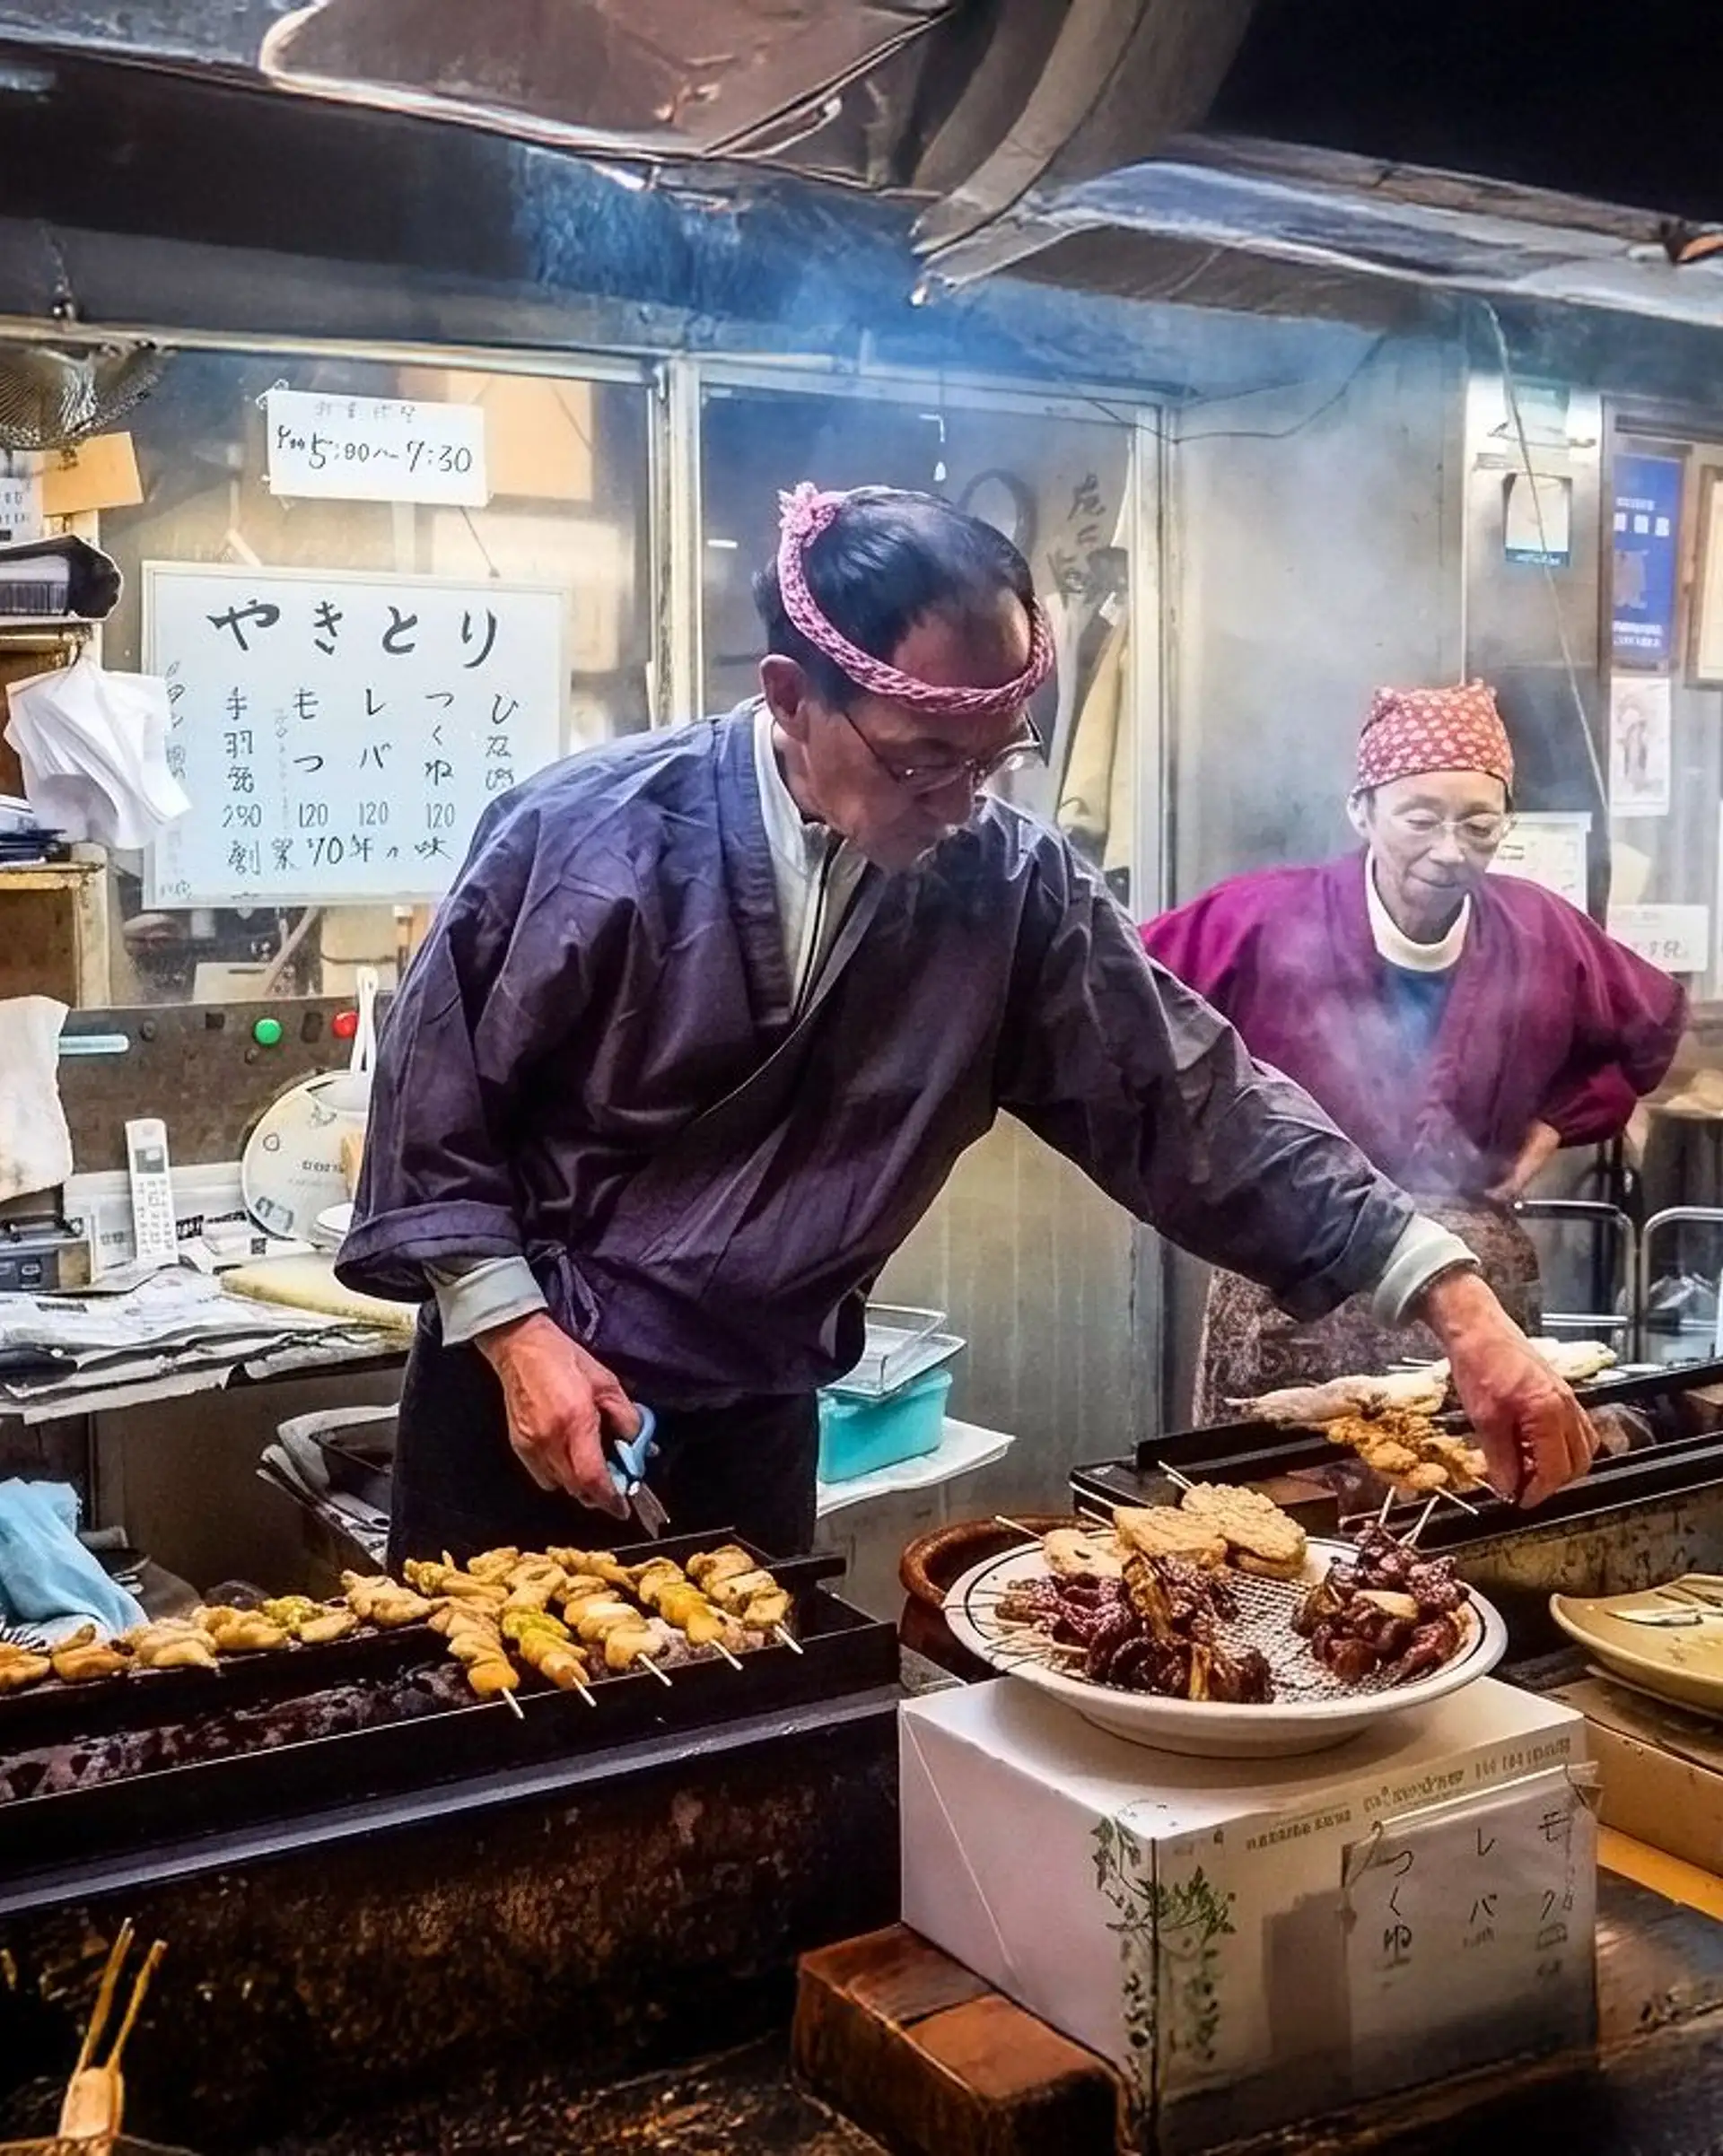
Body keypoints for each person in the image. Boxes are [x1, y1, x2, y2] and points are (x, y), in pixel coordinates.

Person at [338, 495, 1598, 1566]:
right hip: (522, 1399)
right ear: (790, 695)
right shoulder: (584, 833)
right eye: (923, 759)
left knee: (748, 1762)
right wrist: (511, 1330)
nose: (962, 803)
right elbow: (438, 1109)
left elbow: (1196, 1101)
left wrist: (1459, 1305)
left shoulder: (1007, 887)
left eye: (995, 760)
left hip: (755, 1412)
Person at [1142, 681, 1685, 1420]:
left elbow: (1647, 1028)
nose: (1450, 850)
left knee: (1477, 1504)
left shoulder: (1539, 932)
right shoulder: (1261, 919)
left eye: (1479, 824)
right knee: (1277, 1514)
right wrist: (1213, 1157)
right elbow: (1124, 1013)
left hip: (1477, 1291)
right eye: (1420, 818)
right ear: (1361, 810)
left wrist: (1554, 1127)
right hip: (1289, 1286)